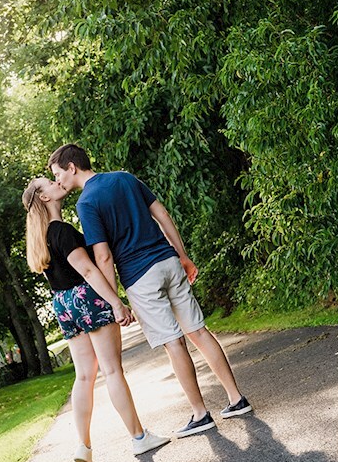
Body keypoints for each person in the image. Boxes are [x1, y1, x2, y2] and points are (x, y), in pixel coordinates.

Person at [48, 144, 252, 437]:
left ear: (72, 167)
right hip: (168, 261)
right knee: (199, 331)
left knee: (173, 342)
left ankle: (200, 413)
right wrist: (182, 255)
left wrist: (114, 299)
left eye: (58, 174)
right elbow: (162, 214)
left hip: (140, 276)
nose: (59, 182)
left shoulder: (86, 203)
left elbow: (103, 256)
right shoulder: (125, 177)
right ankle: (236, 399)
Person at [23, 176, 168, 462]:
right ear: (45, 198)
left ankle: (83, 447)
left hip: (63, 304)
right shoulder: (61, 231)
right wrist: (116, 301)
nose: (55, 182)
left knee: (85, 377)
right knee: (112, 369)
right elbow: (88, 270)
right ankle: (139, 437)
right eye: (48, 183)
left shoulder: (42, 238)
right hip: (87, 298)